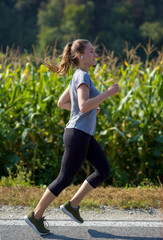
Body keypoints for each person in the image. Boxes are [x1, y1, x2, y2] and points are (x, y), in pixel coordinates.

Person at [24, 39, 120, 235]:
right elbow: (83, 105)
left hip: (82, 134)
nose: (95, 55)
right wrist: (107, 94)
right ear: (80, 56)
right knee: (64, 178)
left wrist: (91, 108)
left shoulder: (78, 76)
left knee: (103, 170)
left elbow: (63, 103)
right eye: (91, 51)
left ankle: (72, 205)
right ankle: (35, 215)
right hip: (78, 134)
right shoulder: (82, 76)